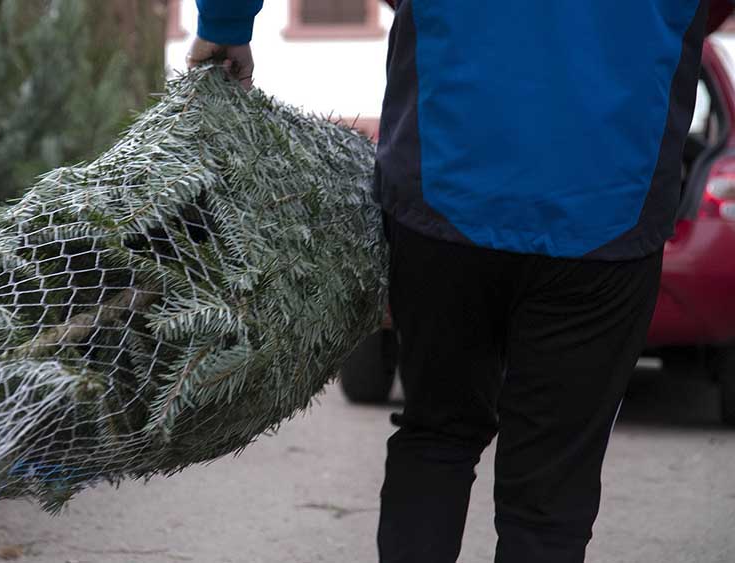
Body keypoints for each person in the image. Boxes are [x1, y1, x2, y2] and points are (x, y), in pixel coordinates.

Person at [187, 1, 733, 562]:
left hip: (447, 186)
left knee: (438, 436)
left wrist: (225, 25)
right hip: (607, 201)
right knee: (550, 492)